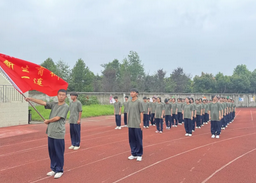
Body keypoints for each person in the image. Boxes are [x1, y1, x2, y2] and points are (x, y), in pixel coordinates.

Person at [25, 89, 69, 179]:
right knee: (52, 152)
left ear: (65, 96)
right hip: (50, 132)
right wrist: (31, 99)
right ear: (57, 95)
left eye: (63, 95)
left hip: (58, 133)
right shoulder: (54, 104)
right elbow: (43, 103)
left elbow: (57, 118)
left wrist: (48, 121)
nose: (61, 96)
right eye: (60, 94)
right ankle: (54, 168)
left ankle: (59, 170)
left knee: (59, 152)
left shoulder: (65, 106)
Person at [127, 88, 144, 161]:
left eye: (133, 92)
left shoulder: (139, 102)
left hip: (137, 123)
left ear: (136, 93)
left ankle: (139, 154)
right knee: (131, 139)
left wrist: (141, 122)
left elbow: (141, 112)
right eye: (131, 92)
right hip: (130, 124)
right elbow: (128, 112)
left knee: (138, 139)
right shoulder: (129, 102)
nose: (131, 93)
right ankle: (133, 153)